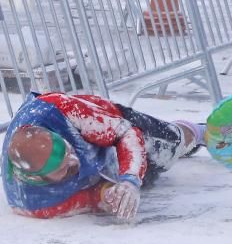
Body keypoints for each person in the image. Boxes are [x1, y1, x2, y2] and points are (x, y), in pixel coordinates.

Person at [2, 92, 202, 221]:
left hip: (108, 123)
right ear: (38, 178)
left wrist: (131, 179)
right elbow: (90, 197)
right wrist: (109, 195)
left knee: (169, 145)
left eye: (68, 151)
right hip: (100, 163)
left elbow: (126, 132)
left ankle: (201, 133)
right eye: (62, 168)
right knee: (150, 173)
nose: (73, 161)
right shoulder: (37, 203)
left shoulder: (60, 109)